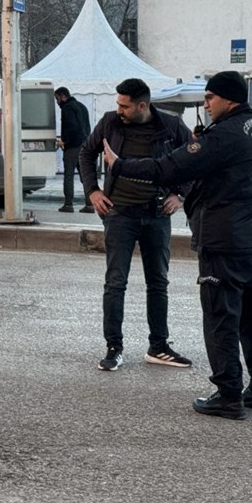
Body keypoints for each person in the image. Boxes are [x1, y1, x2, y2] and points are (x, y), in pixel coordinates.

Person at [102, 70, 252, 420]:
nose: (205, 103)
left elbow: (170, 167)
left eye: (210, 97)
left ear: (229, 99)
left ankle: (228, 394)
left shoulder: (225, 134)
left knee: (221, 316)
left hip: (223, 238)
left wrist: (119, 165)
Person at [79, 77, 193, 372]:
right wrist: (92, 190)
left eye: (124, 105)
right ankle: (114, 347)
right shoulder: (109, 123)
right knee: (116, 282)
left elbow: (195, 160)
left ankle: (158, 346)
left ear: (142, 105)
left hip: (157, 215)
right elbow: (86, 153)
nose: (119, 109)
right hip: (120, 214)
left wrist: (179, 194)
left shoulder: (171, 126)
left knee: (158, 283)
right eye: (118, 104)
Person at [54, 87, 92, 213]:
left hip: (72, 148)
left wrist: (64, 141)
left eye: (57, 98)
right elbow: (86, 127)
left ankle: (68, 204)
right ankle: (90, 205)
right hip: (85, 146)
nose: (57, 102)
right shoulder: (82, 106)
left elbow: (72, 127)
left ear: (63, 96)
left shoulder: (67, 108)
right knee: (85, 176)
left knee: (69, 176)